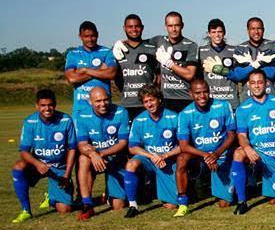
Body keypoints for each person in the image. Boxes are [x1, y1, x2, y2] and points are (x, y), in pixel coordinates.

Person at [10, 89, 76, 223]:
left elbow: (72, 149)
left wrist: (67, 174)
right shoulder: (30, 122)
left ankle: (51, 197)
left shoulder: (66, 120)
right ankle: (26, 211)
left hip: (59, 168)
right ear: (37, 106)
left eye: (50, 105)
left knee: (65, 210)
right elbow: (24, 151)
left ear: (55, 104)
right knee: (18, 166)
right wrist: (38, 164)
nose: (47, 108)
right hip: (38, 165)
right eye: (43, 105)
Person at [173, 79, 237, 217]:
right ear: (190, 94)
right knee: (182, 159)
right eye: (197, 93)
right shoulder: (185, 114)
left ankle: (235, 187)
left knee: (224, 205)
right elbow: (184, 145)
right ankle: (183, 203)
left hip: (221, 154)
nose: (202, 96)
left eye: (205, 92)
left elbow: (232, 136)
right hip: (200, 155)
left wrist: (216, 153)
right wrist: (206, 155)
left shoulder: (223, 106)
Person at [231, 70, 275, 214]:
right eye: (253, 83)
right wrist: (247, 147)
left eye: (260, 82)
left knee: (274, 200)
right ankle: (242, 201)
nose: (256, 86)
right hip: (258, 153)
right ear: (248, 85)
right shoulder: (243, 109)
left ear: (266, 83)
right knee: (238, 153)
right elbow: (242, 135)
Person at [122, 85, 180, 218]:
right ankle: (133, 205)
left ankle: (156, 189)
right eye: (146, 102)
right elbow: (132, 147)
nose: (149, 104)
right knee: (131, 164)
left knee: (171, 206)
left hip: (168, 160)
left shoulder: (173, 117)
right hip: (149, 159)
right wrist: (152, 156)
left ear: (159, 99)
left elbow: (183, 145)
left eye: (152, 100)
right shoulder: (139, 120)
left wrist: (165, 155)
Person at [75, 87, 129, 219]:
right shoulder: (82, 115)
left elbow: (123, 143)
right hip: (95, 159)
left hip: (116, 159)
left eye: (106, 100)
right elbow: (82, 145)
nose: (103, 104)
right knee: (83, 158)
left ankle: (110, 194)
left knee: (118, 206)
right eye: (98, 101)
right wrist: (93, 154)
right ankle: (87, 204)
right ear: (90, 102)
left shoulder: (121, 112)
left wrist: (101, 154)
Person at [111, 14, 159, 119]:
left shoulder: (151, 49)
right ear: (124, 28)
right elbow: (114, 75)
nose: (134, 29)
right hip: (127, 103)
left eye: (137, 26)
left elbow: (159, 74)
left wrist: (153, 90)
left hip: (147, 104)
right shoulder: (117, 49)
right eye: (130, 27)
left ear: (142, 27)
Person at [149, 11, 199, 112]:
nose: (174, 29)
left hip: (185, 98)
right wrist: (121, 43)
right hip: (165, 99)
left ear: (182, 26)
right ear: (165, 26)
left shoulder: (191, 45)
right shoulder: (158, 41)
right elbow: (138, 44)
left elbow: (190, 74)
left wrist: (169, 63)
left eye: (177, 25)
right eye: (170, 25)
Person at [65, 21, 117, 116]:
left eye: (93, 36)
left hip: (103, 106)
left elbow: (111, 74)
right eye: (86, 36)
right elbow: (72, 79)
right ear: (80, 36)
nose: (90, 39)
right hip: (81, 108)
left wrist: (85, 70)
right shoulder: (73, 54)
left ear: (97, 34)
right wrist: (100, 71)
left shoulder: (107, 52)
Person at [228, 17, 275, 97]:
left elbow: (271, 73)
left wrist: (247, 68)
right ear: (248, 30)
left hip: (269, 95)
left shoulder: (272, 46)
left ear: (263, 30)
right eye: (253, 29)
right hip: (247, 97)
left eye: (259, 28)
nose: (256, 32)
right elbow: (239, 75)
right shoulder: (240, 48)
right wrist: (258, 63)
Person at [198, 19, 240, 108]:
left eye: (220, 31)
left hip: (231, 101)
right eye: (213, 32)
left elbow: (239, 75)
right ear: (209, 34)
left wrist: (220, 69)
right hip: (211, 102)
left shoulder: (234, 50)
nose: (217, 35)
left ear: (224, 33)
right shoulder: (201, 51)